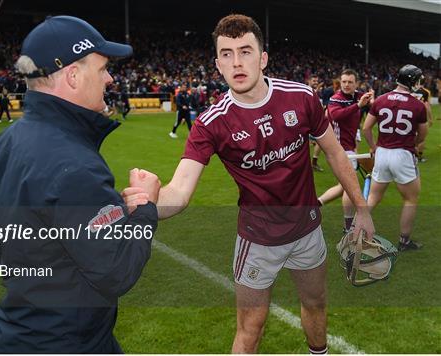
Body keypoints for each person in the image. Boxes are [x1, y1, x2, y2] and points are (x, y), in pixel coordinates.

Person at [141, 14, 374, 353]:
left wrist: (362, 209)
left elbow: (336, 154)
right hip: (258, 240)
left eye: (246, 51)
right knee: (251, 327)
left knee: (316, 304)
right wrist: (145, 204)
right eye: (226, 54)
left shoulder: (301, 97)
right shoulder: (210, 124)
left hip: (307, 230)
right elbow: (179, 191)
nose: (237, 62)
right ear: (217, 64)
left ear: (263, 58)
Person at [0, 15, 160, 353]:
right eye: (102, 69)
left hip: (22, 335)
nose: (110, 78)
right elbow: (116, 271)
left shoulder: (6, 141)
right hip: (70, 341)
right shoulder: (75, 164)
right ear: (73, 76)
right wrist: (145, 208)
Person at [363, 64, 428, 251]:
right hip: (403, 154)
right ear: (412, 81)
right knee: (410, 199)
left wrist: (373, 147)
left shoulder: (381, 100)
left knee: (374, 196)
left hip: (382, 152)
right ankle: (404, 241)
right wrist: (414, 143)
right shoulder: (417, 104)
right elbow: (423, 134)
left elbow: (366, 128)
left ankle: (355, 231)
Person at [318, 69, 374, 232]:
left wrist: (372, 101)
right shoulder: (336, 99)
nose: (346, 85)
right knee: (351, 187)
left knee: (343, 186)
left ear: (356, 83)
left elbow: (373, 107)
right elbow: (336, 116)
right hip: (339, 150)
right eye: (344, 82)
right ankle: (348, 226)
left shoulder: (358, 95)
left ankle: (315, 204)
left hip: (350, 147)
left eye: (350, 82)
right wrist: (358, 105)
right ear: (340, 82)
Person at [411, 75, 433, 162]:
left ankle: (411, 154)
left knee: (411, 135)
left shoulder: (411, 91)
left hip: (410, 116)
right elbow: (427, 105)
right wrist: (430, 118)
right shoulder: (426, 92)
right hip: (421, 116)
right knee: (421, 137)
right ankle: (419, 156)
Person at [308, 75, 325, 172]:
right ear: (309, 81)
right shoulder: (306, 90)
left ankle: (313, 163)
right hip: (308, 122)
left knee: (319, 142)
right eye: (313, 80)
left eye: (316, 81)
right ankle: (313, 163)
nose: (315, 82)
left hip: (315, 122)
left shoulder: (319, 93)